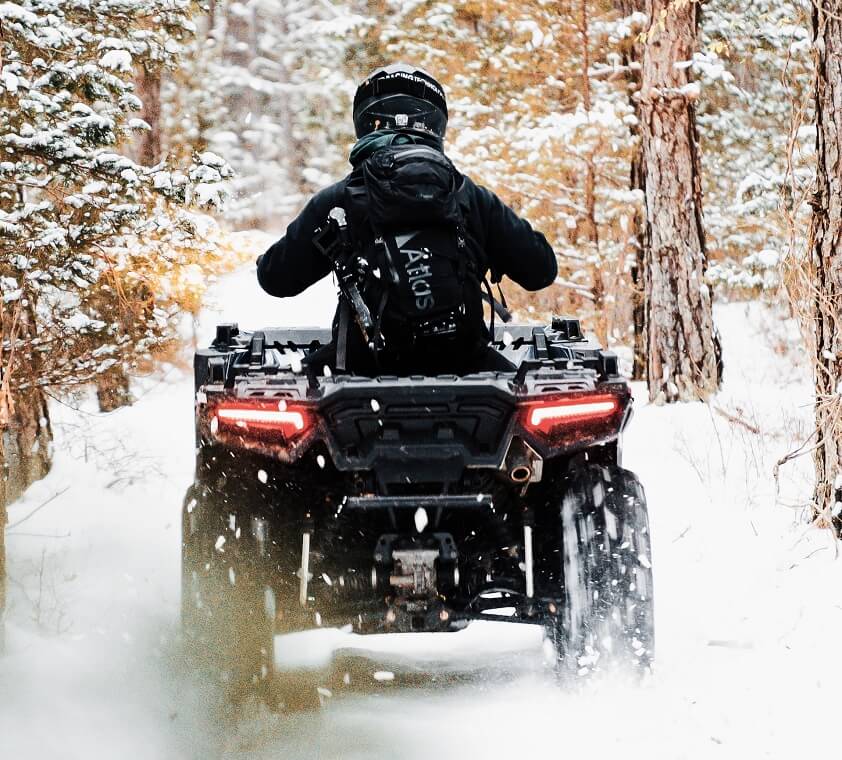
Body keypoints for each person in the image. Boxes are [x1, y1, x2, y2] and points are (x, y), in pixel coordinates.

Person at [256, 63, 557, 376]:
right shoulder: (470, 196)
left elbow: (276, 280)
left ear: (365, 123)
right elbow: (541, 270)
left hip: (360, 374)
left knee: (275, 402)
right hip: (468, 369)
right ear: (436, 125)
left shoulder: (339, 199)